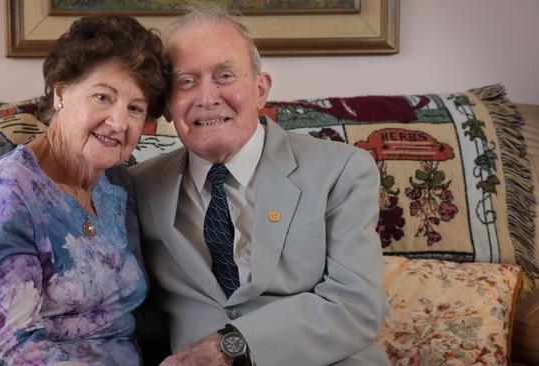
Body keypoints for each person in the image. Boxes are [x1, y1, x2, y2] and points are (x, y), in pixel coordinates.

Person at [130, 6, 390, 366]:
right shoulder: (139, 187)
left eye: (224, 76)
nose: (207, 98)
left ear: (260, 89)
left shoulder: (342, 170)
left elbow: (357, 304)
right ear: (167, 105)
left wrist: (232, 347)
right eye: (186, 82)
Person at [0, 14, 168, 366]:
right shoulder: (11, 190)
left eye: (135, 108)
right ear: (61, 92)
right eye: (103, 97)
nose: (119, 122)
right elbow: (9, 348)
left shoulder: (117, 185)